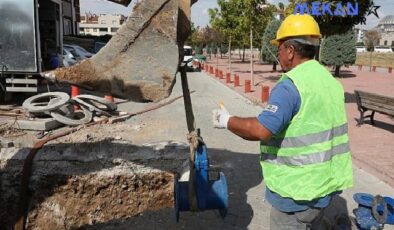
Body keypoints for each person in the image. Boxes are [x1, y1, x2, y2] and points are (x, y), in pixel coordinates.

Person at [212, 14, 353, 229]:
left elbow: (261, 130)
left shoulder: (290, 85)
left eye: (279, 48)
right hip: (324, 186)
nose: (277, 53)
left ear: (290, 50)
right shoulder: (329, 80)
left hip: (296, 194)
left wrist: (227, 120)